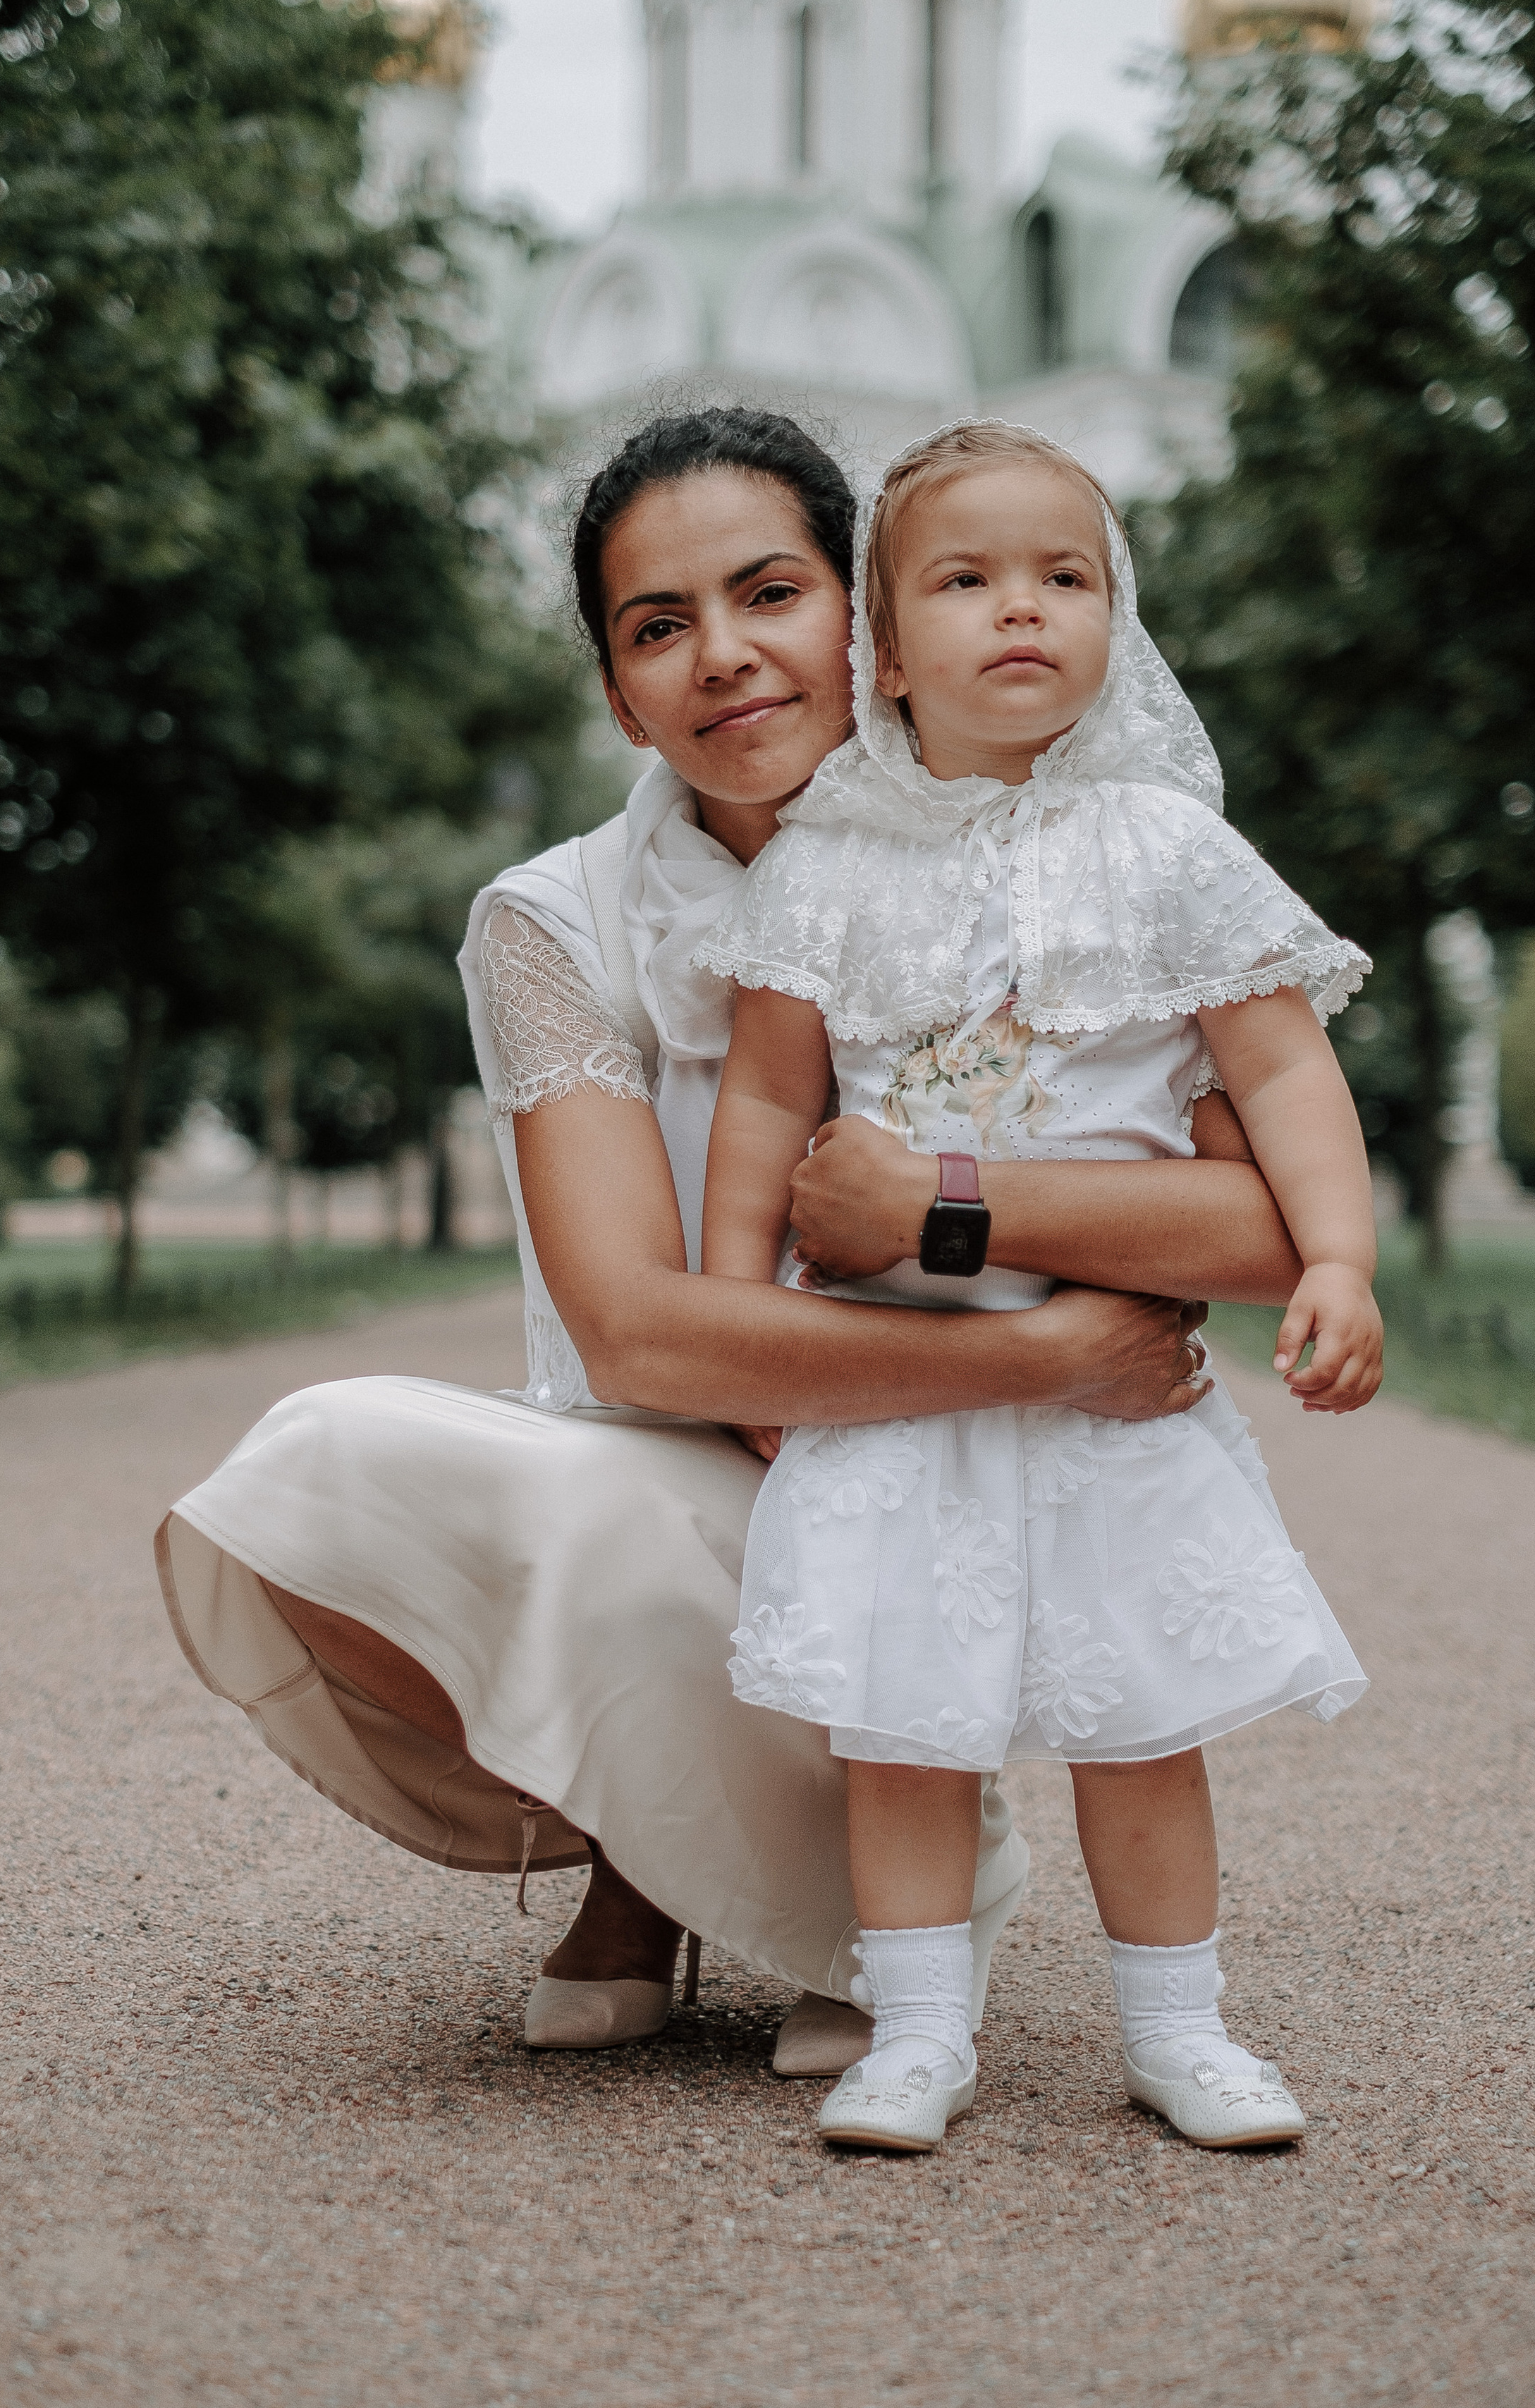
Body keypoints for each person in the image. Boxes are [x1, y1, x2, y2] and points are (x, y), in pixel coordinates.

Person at [157, 408, 1307, 2072]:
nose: (723, 658)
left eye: (769, 594)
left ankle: (881, 1885)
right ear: (617, 690)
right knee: (322, 1464)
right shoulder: (553, 921)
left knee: (927, 1531)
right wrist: (1036, 1346)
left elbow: (1264, 1223)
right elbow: (639, 1334)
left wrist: (942, 1206)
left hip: (1000, 1484)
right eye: (654, 628)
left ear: (867, 614)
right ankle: (645, 1856)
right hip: (696, 1466)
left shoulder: (1080, 853)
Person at [696, 419, 1379, 2153]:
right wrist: (737, 1333)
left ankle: (1182, 2029)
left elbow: (1285, 1075)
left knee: (1136, 1718)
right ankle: (917, 2031)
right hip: (892, 1380)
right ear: (881, 645)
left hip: (1114, 1385)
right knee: (905, 1730)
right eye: (967, 579)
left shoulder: (1166, 851)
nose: (1022, 611)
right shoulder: (820, 867)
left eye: (1063, 577)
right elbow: (768, 1104)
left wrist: (1340, 1258)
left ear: (1114, 618)